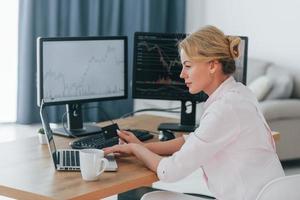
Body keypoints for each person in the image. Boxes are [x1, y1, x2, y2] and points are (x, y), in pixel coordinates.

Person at [103, 25, 285, 200]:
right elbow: (192, 141)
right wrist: (142, 148)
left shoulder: (224, 109)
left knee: (152, 197)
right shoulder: (240, 93)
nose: (182, 74)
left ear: (212, 65)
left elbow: (169, 171)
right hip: (272, 194)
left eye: (188, 66)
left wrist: (135, 148)